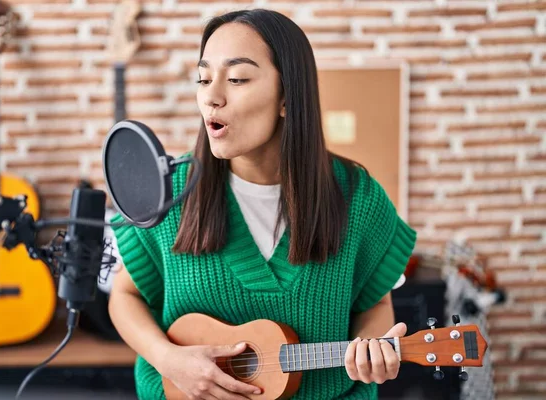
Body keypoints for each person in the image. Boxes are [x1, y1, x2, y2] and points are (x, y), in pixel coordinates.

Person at [109, 8, 416, 400]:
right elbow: (125, 296)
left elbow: (375, 305)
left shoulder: (357, 196)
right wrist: (168, 360)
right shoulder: (172, 190)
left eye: (236, 78)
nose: (211, 97)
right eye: (203, 79)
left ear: (287, 97)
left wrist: (372, 352)